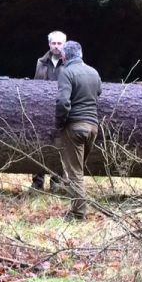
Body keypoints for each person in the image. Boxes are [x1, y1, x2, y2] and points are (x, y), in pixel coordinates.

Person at [55, 40, 102, 219]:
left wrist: (60, 123)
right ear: (81, 54)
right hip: (92, 127)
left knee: (75, 173)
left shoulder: (66, 73)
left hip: (74, 127)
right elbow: (99, 92)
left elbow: (62, 102)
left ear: (65, 56)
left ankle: (77, 214)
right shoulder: (93, 72)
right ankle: (75, 203)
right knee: (78, 170)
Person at [31, 31, 66, 191]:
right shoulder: (41, 62)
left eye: (59, 43)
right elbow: (35, 85)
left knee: (59, 146)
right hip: (41, 111)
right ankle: (37, 182)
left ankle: (56, 182)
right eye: (54, 43)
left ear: (64, 45)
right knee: (38, 146)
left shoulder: (69, 63)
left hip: (61, 110)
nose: (56, 46)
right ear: (49, 45)